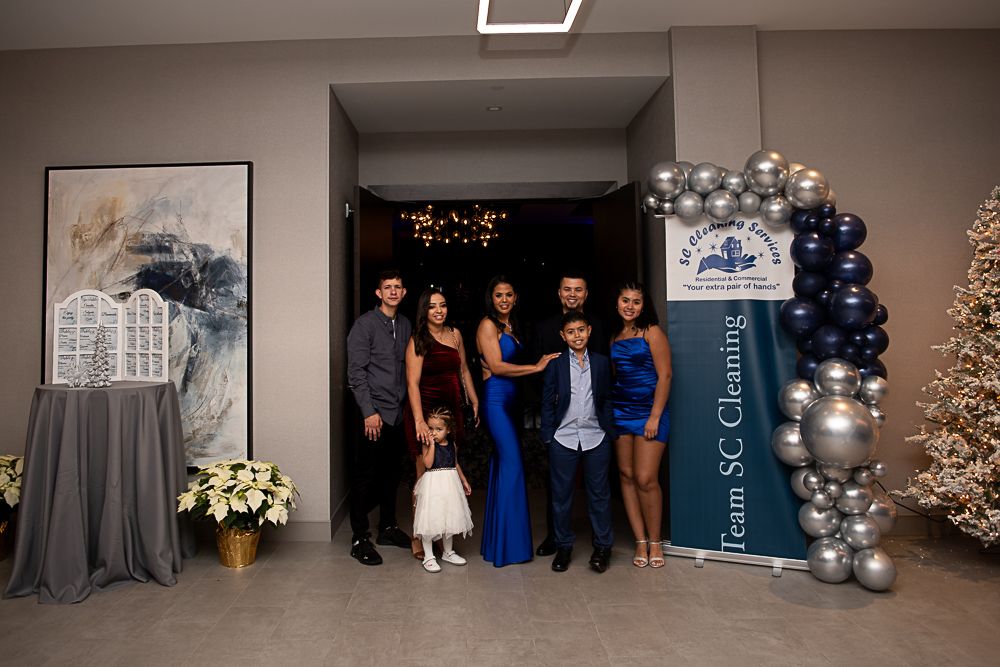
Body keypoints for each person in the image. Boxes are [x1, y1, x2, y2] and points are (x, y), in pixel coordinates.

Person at [477, 275, 560, 567]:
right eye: (498, 295)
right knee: (512, 465)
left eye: (509, 295)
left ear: (516, 298)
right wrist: (536, 367)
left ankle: (498, 544)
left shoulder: (511, 326)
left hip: (512, 403)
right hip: (496, 402)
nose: (504, 300)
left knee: (504, 466)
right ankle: (510, 548)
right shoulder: (487, 325)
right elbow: (497, 367)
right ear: (491, 298)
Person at [532, 270, 608, 557]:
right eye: (567, 289)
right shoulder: (544, 327)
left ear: (586, 294)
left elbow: (605, 378)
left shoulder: (598, 327)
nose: (572, 294)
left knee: (597, 490)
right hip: (561, 424)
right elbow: (537, 371)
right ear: (559, 292)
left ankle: (601, 545)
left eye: (578, 289)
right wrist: (549, 421)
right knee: (559, 489)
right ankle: (556, 538)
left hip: (593, 425)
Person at [404, 287, 479, 559]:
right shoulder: (418, 339)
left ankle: (441, 535)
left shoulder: (455, 334)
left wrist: (474, 399)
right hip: (425, 412)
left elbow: (464, 370)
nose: (439, 310)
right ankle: (418, 536)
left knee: (446, 475)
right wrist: (419, 421)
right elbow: (412, 383)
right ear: (424, 311)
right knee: (424, 478)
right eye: (433, 306)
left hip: (451, 414)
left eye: (443, 305)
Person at [346, 269, 413, 565]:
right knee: (365, 476)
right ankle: (359, 538)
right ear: (379, 293)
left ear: (404, 292)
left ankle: (387, 527)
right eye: (388, 287)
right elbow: (356, 373)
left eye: (398, 287)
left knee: (391, 474)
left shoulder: (406, 324)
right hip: (373, 414)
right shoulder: (365, 325)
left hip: (398, 414)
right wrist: (368, 412)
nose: (393, 291)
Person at [540, 311, 616, 573]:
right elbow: (547, 401)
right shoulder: (556, 364)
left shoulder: (602, 363)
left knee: (599, 495)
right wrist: (548, 435)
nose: (577, 336)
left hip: (596, 436)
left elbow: (607, 397)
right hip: (564, 437)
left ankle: (603, 547)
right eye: (571, 332)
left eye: (581, 330)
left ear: (589, 331)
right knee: (561, 496)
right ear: (563, 336)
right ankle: (563, 546)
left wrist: (609, 429)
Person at [610, 281, 672, 569]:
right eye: (625, 300)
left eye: (636, 301)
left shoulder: (652, 332)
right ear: (617, 303)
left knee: (646, 478)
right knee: (626, 475)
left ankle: (655, 541)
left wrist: (655, 416)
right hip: (621, 411)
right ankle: (640, 540)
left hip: (649, 411)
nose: (630, 306)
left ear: (643, 305)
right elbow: (616, 376)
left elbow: (665, 376)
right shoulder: (614, 337)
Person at [412, 407, 474, 573]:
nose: (434, 432)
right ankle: (429, 556)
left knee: (448, 517)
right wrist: (432, 444)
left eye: (438, 429)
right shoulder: (427, 444)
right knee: (430, 519)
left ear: (448, 430)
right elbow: (428, 464)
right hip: (433, 487)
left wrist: (464, 480)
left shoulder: (452, 444)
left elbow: (455, 463)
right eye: (431, 428)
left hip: (449, 486)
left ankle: (448, 552)